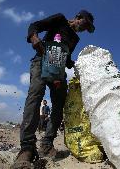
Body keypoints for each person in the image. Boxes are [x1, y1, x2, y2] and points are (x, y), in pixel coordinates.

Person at [12, 10, 95, 168]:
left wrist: (76, 63)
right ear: (78, 17)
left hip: (58, 71)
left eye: (87, 28)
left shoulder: (75, 39)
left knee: (59, 105)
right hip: (42, 61)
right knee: (35, 97)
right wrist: (34, 38)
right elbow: (35, 25)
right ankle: (27, 149)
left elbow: (67, 56)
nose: (83, 29)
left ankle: (47, 144)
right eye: (84, 24)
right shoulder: (60, 19)